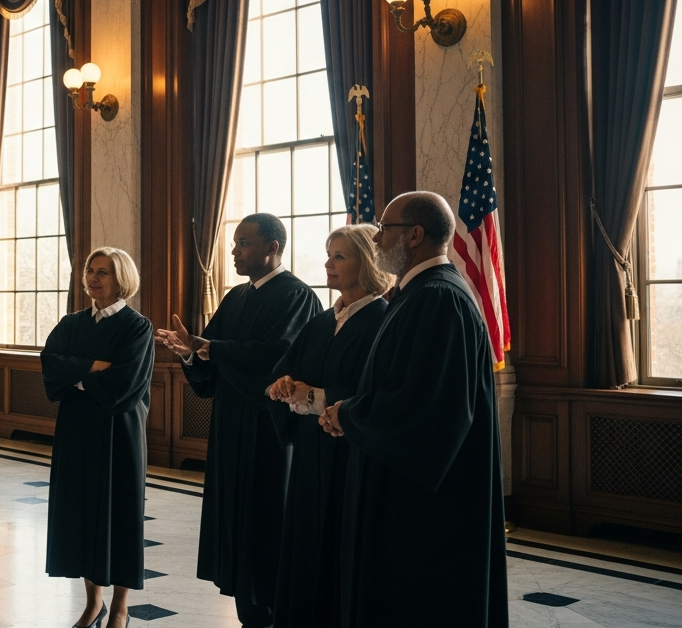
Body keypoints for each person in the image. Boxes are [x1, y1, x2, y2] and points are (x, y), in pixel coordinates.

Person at [320, 191, 508, 627]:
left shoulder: (439, 298)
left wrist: (347, 414)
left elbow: (426, 408)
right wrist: (349, 410)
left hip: (424, 506)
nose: (379, 237)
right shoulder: (415, 293)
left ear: (414, 235)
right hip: (404, 486)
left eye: (386, 229)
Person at [155, 213, 321, 628]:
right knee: (237, 527)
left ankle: (274, 612)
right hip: (231, 426)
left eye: (244, 243)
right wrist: (190, 353)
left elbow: (275, 357)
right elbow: (212, 356)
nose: (234, 251)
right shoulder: (236, 297)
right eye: (234, 243)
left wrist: (211, 348)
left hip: (269, 432)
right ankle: (249, 612)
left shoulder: (296, 296)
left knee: (268, 523)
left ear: (272, 247)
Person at [263, 225, 391, 628]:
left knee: (340, 549)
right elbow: (285, 372)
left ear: (366, 263)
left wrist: (315, 396)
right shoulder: (320, 322)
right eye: (328, 254)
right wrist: (281, 384)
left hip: (349, 458)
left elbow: (375, 392)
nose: (327, 264)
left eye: (339, 256)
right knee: (304, 548)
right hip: (308, 454)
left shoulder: (383, 321)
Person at [42, 248, 153, 628]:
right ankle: (93, 603)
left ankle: (120, 607)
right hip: (76, 431)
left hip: (118, 432)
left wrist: (76, 377)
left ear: (120, 278)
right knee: (82, 513)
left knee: (118, 516)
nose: (93, 277)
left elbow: (125, 383)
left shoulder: (137, 327)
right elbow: (49, 362)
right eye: (90, 270)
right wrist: (91, 367)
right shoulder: (72, 322)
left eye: (103, 272)